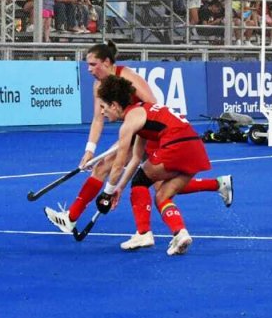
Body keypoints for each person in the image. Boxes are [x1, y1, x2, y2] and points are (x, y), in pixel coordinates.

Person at [43, 41, 232, 249]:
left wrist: (110, 187)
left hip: (155, 133)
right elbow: (98, 119)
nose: (89, 70)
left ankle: (142, 231)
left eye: (93, 64)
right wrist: (90, 150)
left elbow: (152, 106)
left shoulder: (128, 78)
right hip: (156, 133)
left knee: (146, 182)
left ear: (106, 63)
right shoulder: (99, 86)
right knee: (154, 185)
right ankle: (209, 194)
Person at [94, 75, 225, 256]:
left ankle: (143, 233)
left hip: (177, 144)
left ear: (115, 105)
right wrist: (119, 189)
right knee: (162, 196)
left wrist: (107, 193)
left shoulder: (129, 122)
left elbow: (118, 165)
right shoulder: (142, 112)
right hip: (195, 147)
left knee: (140, 180)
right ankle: (181, 233)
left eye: (104, 107)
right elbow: (135, 159)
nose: (102, 112)